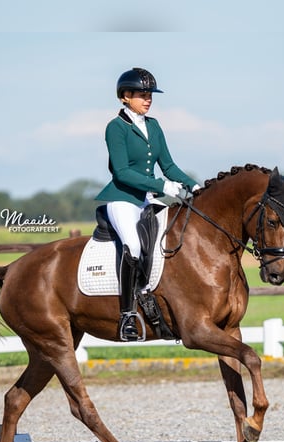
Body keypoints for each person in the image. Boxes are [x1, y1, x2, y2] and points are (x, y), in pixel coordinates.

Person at [95, 67, 200, 341]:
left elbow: (168, 165)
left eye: (150, 94)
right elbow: (122, 172)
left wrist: (195, 186)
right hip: (123, 199)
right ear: (125, 96)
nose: (148, 98)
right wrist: (162, 186)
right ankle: (127, 315)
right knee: (134, 246)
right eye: (142, 94)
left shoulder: (153, 125)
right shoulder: (115, 128)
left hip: (147, 200)